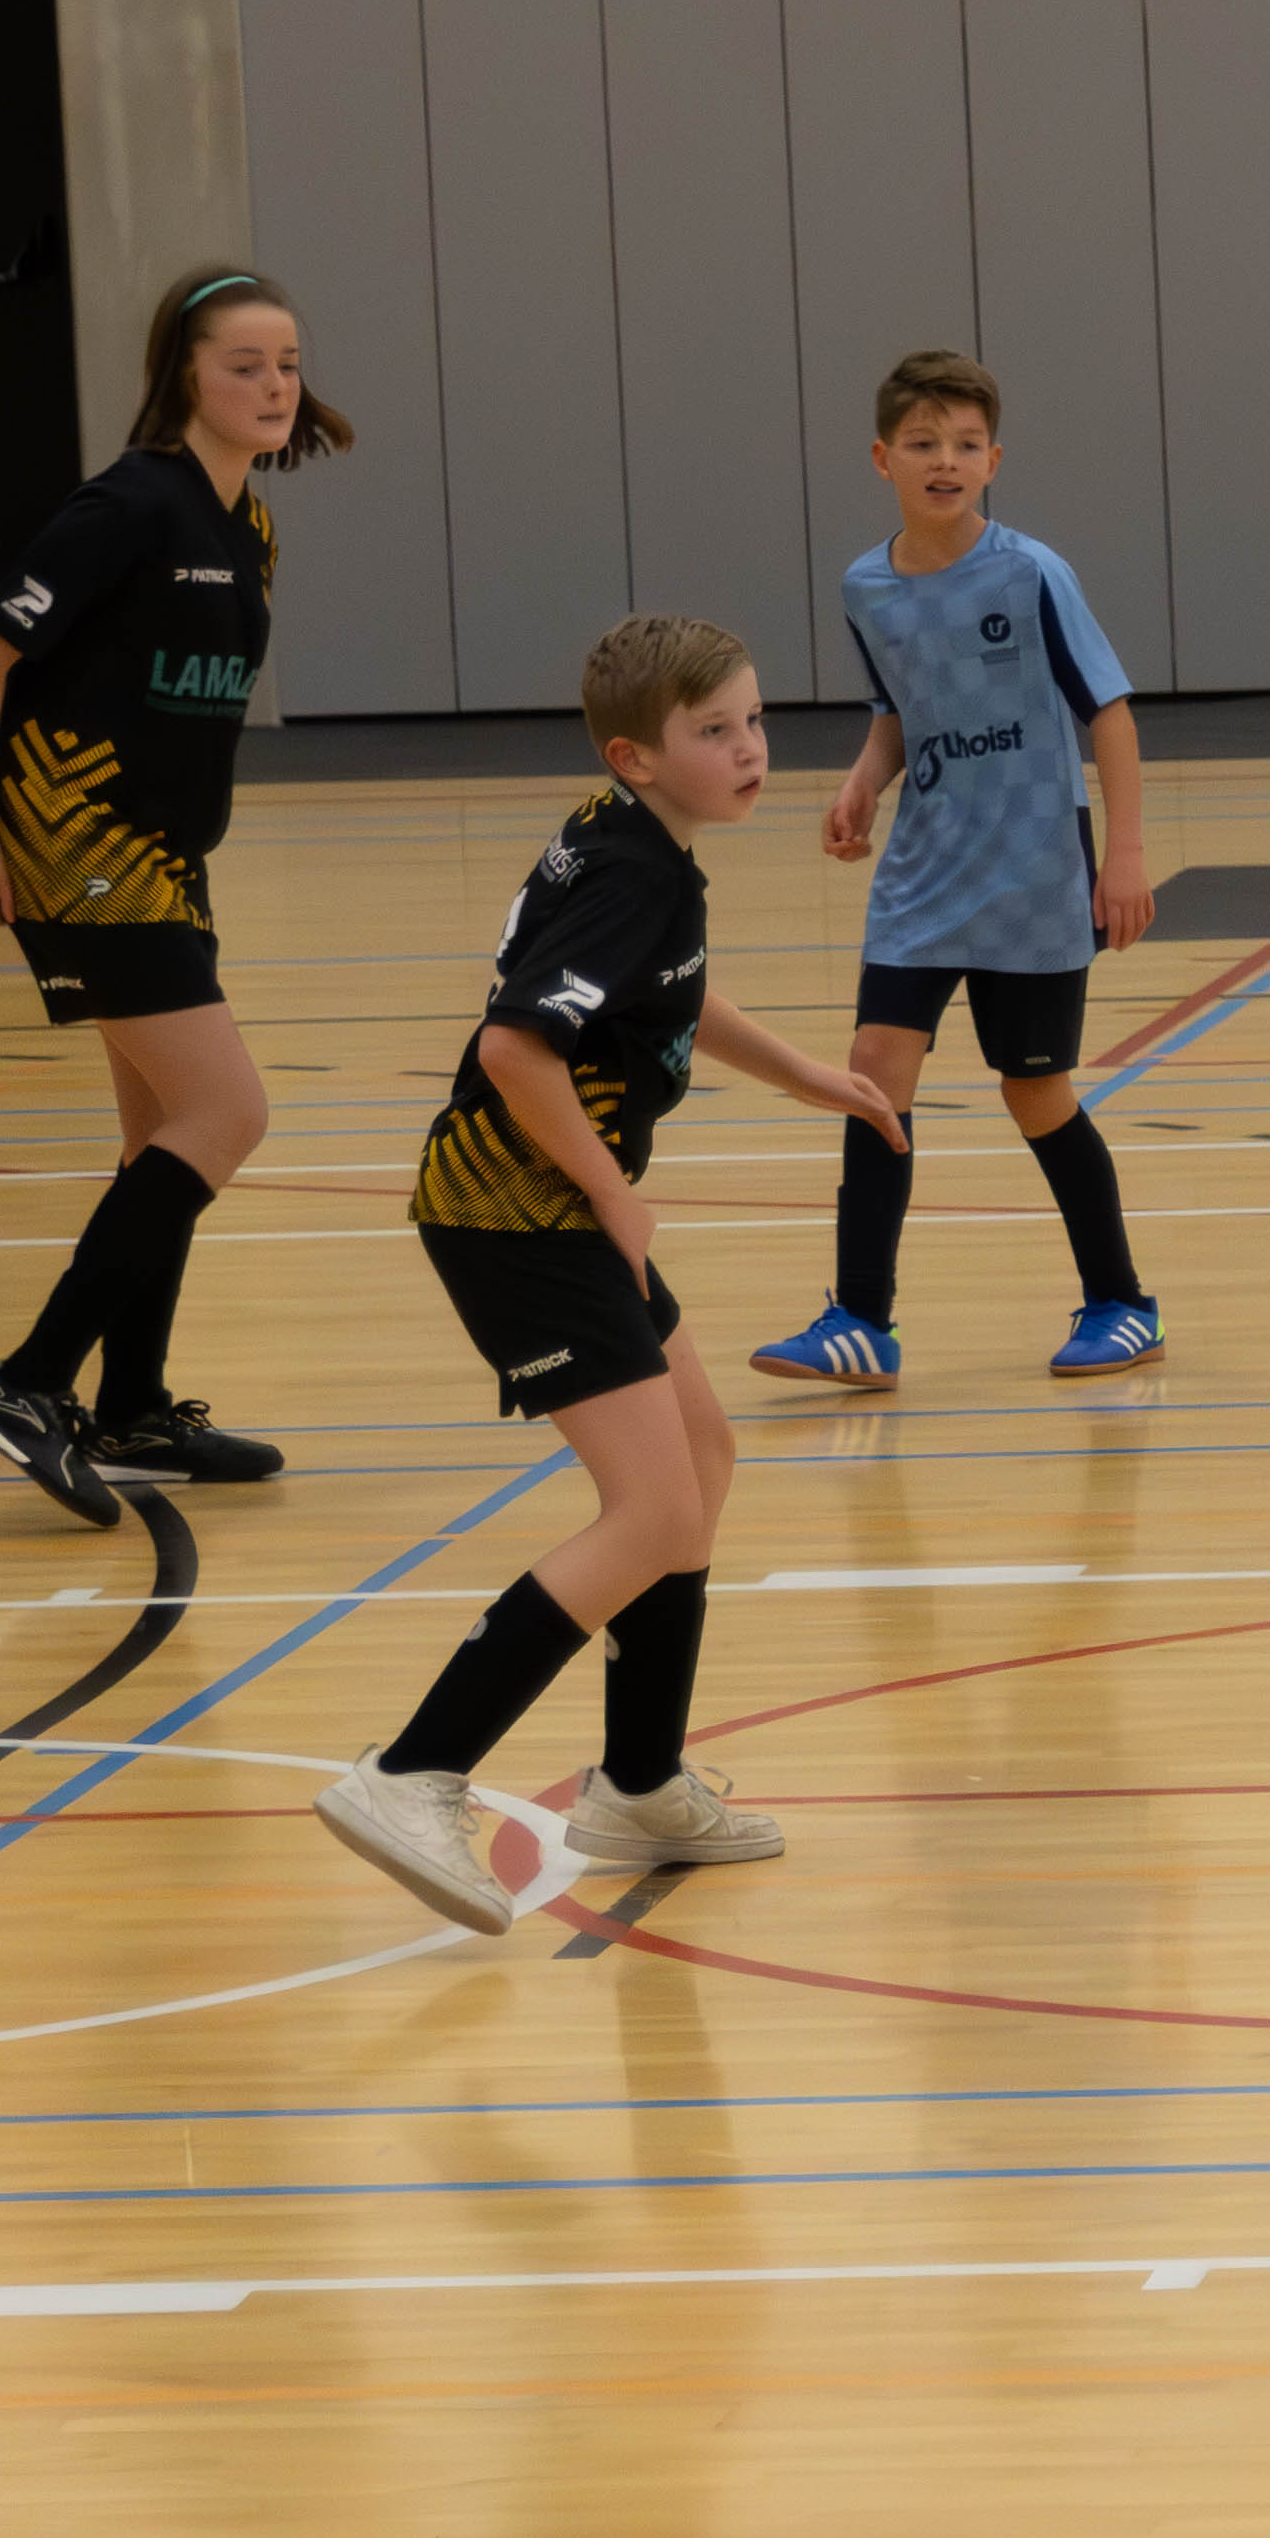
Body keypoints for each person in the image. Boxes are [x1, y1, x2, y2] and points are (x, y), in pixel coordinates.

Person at [315, 617, 895, 1935]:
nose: (748, 749)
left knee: (702, 1458)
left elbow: (659, 990)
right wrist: (612, 1188)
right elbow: (514, 1048)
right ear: (636, 755)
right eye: (714, 732)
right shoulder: (634, 870)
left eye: (753, 721)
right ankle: (412, 1771)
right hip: (518, 1213)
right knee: (651, 1510)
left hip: (556, 1207)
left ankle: (638, 1784)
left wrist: (800, 1071)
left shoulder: (637, 845)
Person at [0, 266, 346, 1524]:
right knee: (228, 1111)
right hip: (78, 841)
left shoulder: (245, 523)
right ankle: (26, 1380)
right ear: (184, 376)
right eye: (243, 365)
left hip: (165, 853)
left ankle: (132, 1406)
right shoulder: (129, 504)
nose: (273, 386)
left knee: (158, 1133)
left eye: (287, 364)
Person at [749, 350, 1163, 1383]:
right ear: (882, 457)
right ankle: (861, 1320)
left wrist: (1123, 855)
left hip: (1034, 874)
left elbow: (1109, 712)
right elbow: (899, 711)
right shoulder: (866, 586)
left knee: (1036, 1093)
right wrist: (862, 782)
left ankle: (1122, 1303)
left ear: (994, 460)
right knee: (874, 1075)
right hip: (922, 877)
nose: (946, 460)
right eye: (924, 442)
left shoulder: (1032, 573)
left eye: (967, 444)